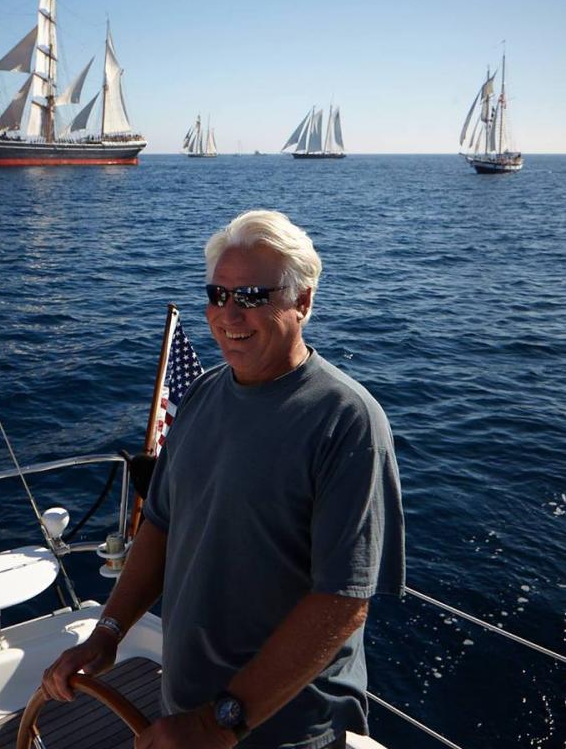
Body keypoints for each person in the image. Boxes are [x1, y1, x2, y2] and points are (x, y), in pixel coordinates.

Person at [42, 210, 405, 749]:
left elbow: (342, 601)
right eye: (217, 294)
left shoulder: (346, 420)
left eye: (252, 296)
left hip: (279, 730)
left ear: (302, 302)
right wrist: (109, 632)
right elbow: (161, 526)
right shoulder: (203, 395)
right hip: (185, 710)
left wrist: (220, 721)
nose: (227, 314)